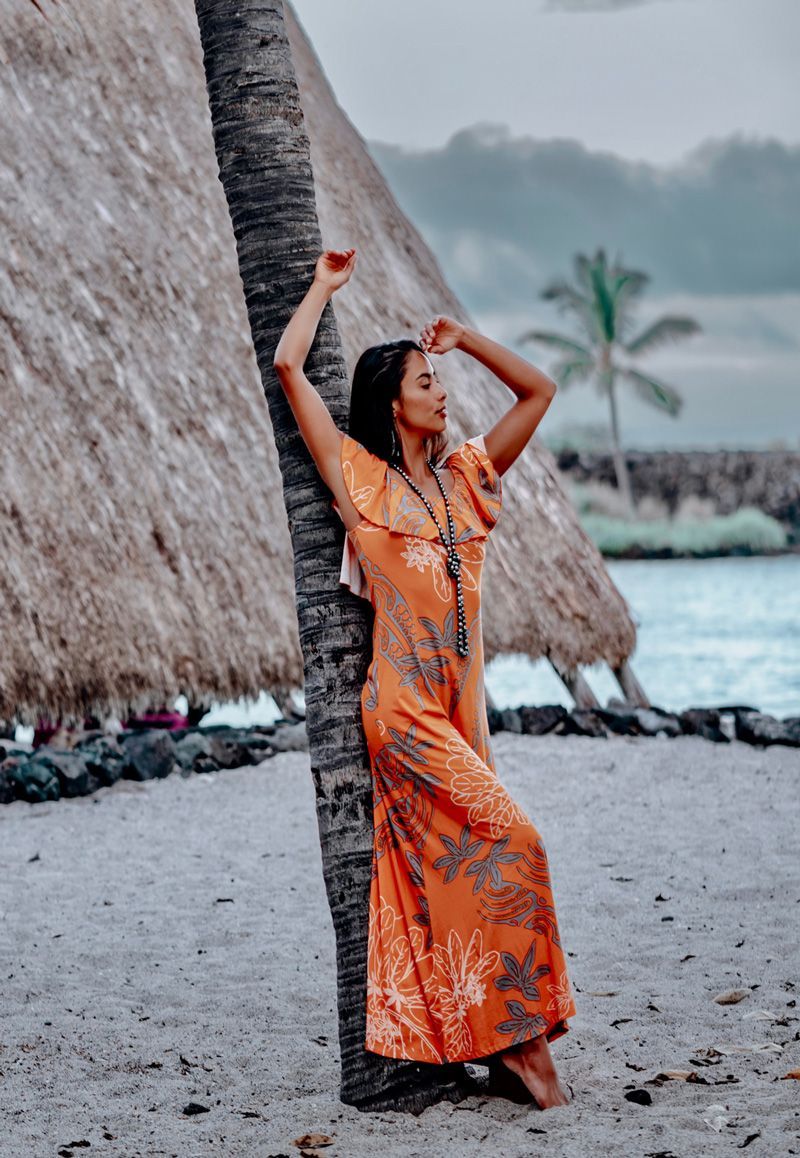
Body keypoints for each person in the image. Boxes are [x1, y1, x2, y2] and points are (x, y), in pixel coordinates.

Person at [273, 248, 576, 1109]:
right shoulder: (361, 482)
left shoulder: (467, 481)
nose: (441, 392)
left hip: (459, 717)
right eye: (426, 379)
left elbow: (540, 393)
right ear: (392, 401)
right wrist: (325, 288)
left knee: (463, 878)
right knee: (517, 845)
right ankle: (525, 1056)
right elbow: (290, 366)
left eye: (438, 379)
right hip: (403, 719)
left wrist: (465, 339)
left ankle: (503, 1048)